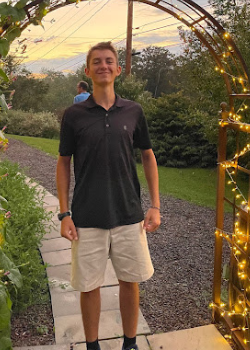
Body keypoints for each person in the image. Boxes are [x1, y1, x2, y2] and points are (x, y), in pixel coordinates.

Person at [56, 41, 161, 350]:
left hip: (130, 214)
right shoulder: (74, 115)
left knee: (131, 281)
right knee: (89, 287)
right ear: (88, 70)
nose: (103, 65)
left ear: (118, 69)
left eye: (109, 61)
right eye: (97, 62)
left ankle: (130, 344)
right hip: (87, 216)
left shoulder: (133, 111)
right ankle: (92, 346)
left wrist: (154, 205)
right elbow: (63, 164)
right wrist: (64, 214)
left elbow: (148, 155)